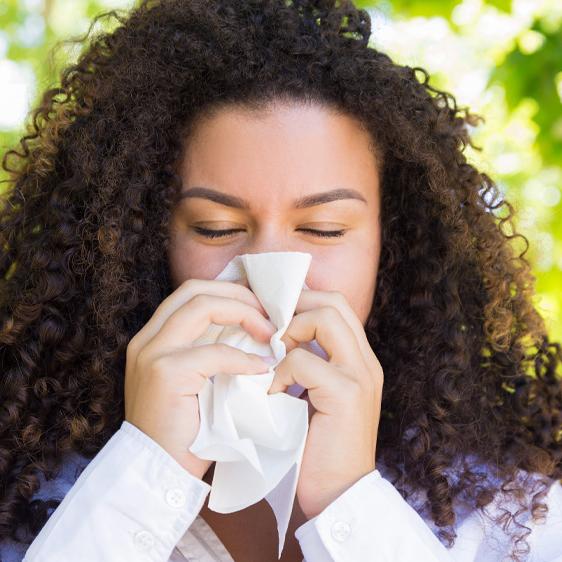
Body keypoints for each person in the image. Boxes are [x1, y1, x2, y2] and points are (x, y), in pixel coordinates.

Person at [0, 0, 561, 560]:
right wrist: (146, 472)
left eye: (322, 228)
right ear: (143, 241)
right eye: (216, 228)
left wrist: (349, 503)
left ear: (391, 249)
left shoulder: (513, 519)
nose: (270, 282)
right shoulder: (27, 497)